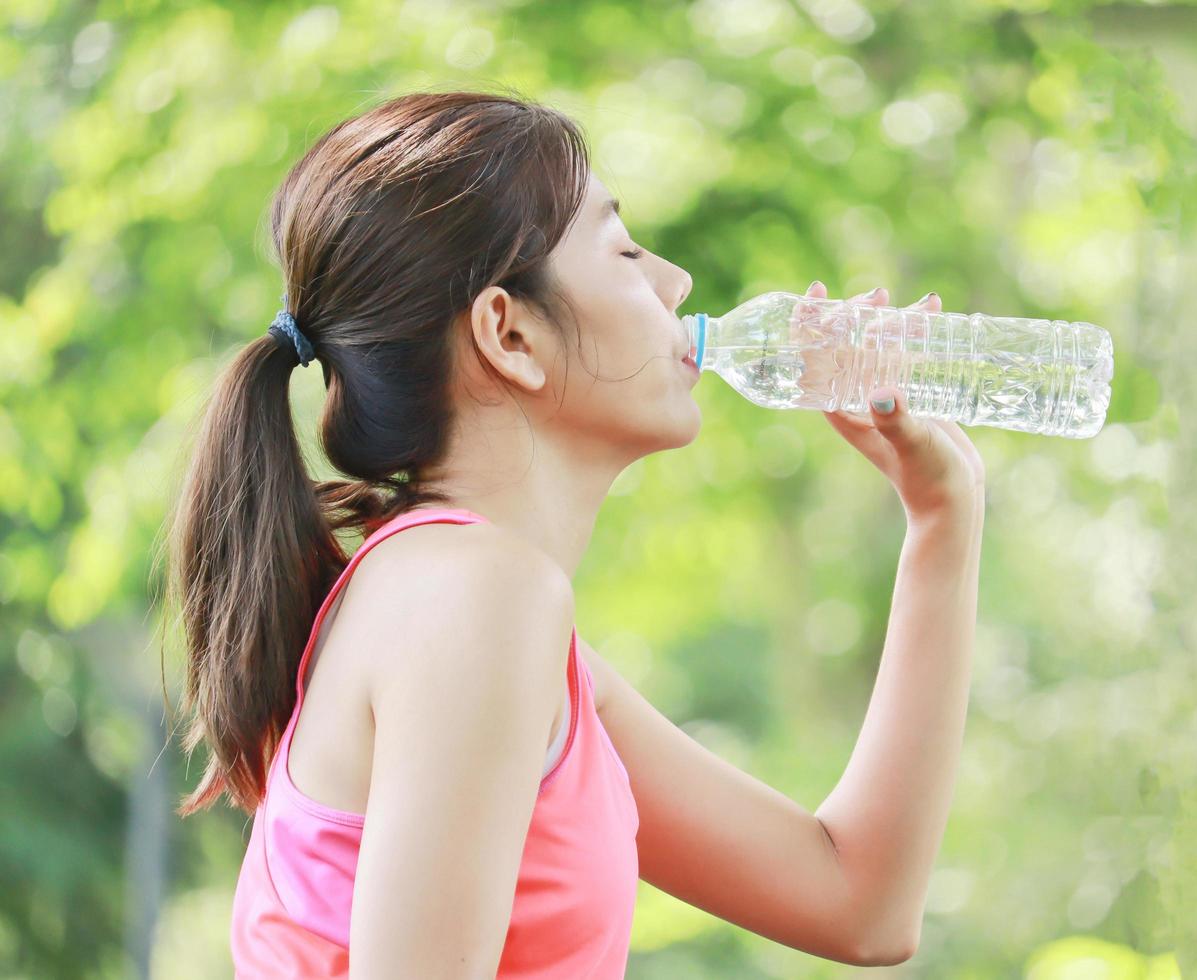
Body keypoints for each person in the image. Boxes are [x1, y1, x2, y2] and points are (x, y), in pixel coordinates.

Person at [162, 91, 986, 978]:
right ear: (509, 334)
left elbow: (858, 904)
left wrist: (943, 513)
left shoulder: (489, 614)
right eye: (625, 250)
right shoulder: (472, 597)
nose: (675, 283)